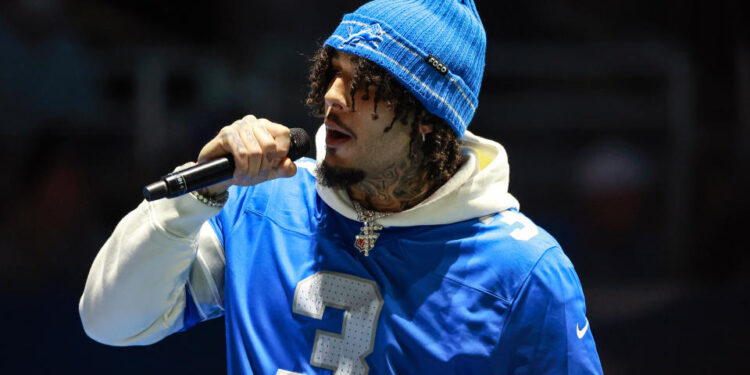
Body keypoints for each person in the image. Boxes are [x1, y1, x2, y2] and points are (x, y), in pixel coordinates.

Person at [79, 0, 603, 373]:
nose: (332, 95)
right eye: (332, 72)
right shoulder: (263, 202)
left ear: (428, 117)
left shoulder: (524, 272)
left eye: (365, 84)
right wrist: (196, 201)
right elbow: (111, 322)